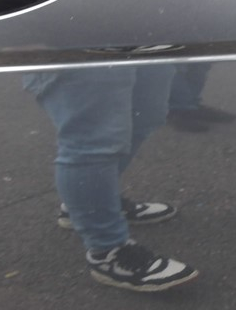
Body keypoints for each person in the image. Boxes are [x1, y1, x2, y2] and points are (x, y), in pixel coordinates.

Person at [25, 65, 198, 291]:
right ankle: (107, 251)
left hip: (144, 46)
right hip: (77, 47)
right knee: (91, 139)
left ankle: (88, 207)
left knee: (144, 117)